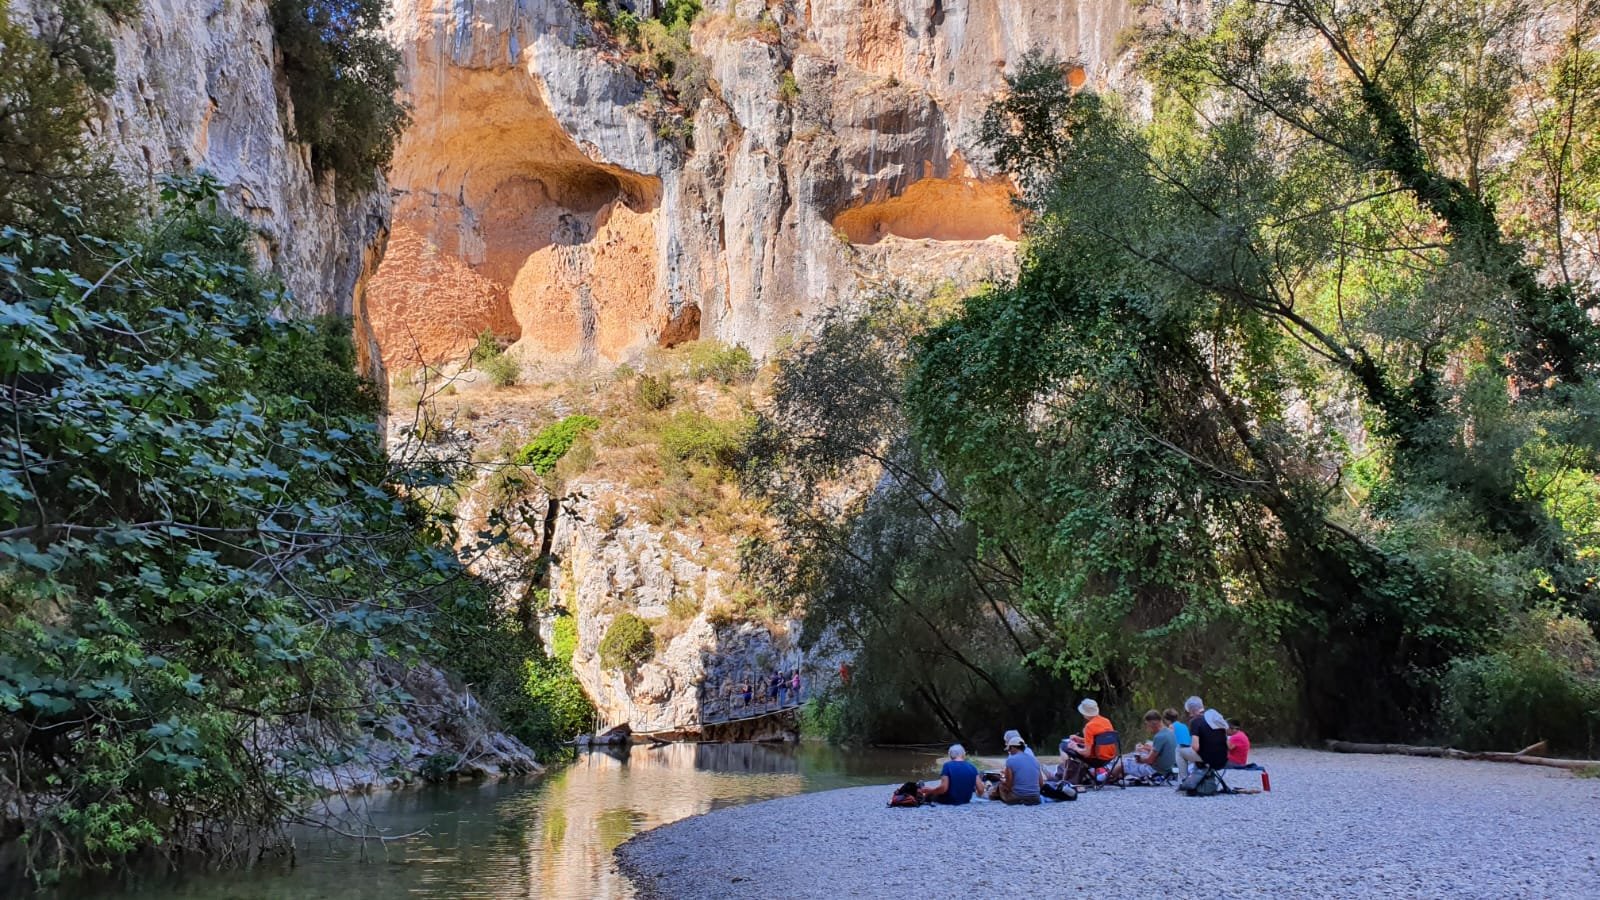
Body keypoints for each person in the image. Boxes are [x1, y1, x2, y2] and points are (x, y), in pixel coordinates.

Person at [1122, 709, 1177, 781]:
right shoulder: (1170, 732)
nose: (1148, 728)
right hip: (1169, 768)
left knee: (1123, 764)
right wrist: (1147, 748)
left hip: (1156, 770)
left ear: (1153, 723)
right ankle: (1115, 777)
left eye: (1148, 725)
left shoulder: (1159, 736)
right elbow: (1163, 751)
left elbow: (1149, 760)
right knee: (1130, 763)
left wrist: (1139, 759)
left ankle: (1105, 779)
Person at [1179, 695, 1229, 772]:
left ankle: (1184, 779)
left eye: (1189, 712)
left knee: (1179, 751)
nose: (1190, 715)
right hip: (1223, 759)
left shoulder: (1195, 721)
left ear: (1192, 711)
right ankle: (1199, 773)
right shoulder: (1215, 718)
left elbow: (1195, 747)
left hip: (1208, 759)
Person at [989, 733, 1043, 805]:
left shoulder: (1011, 760)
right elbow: (1041, 783)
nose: (1009, 752)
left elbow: (1008, 785)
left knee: (1000, 786)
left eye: (1009, 749)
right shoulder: (1035, 760)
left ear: (1013, 747)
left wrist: (1001, 780)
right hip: (1035, 798)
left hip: (1017, 798)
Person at [1062, 698, 1117, 768]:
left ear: (1085, 713)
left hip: (1097, 760)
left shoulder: (1089, 727)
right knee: (1070, 745)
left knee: (1063, 746)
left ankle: (1067, 773)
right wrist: (1080, 739)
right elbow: (1097, 741)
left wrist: (1075, 747)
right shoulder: (1106, 721)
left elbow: (1087, 753)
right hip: (1110, 758)